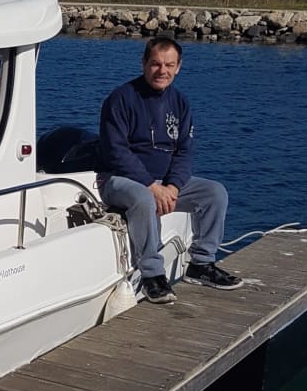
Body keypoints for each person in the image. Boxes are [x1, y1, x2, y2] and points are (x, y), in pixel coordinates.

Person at [96, 38, 242, 305]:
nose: (162, 71)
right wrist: (152, 186)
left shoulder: (180, 102)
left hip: (164, 182)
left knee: (215, 193)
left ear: (178, 67)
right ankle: (152, 275)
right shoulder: (121, 99)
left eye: (169, 65)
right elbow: (116, 151)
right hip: (118, 179)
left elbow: (184, 152)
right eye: (155, 64)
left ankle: (201, 264)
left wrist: (172, 187)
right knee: (143, 197)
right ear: (144, 63)